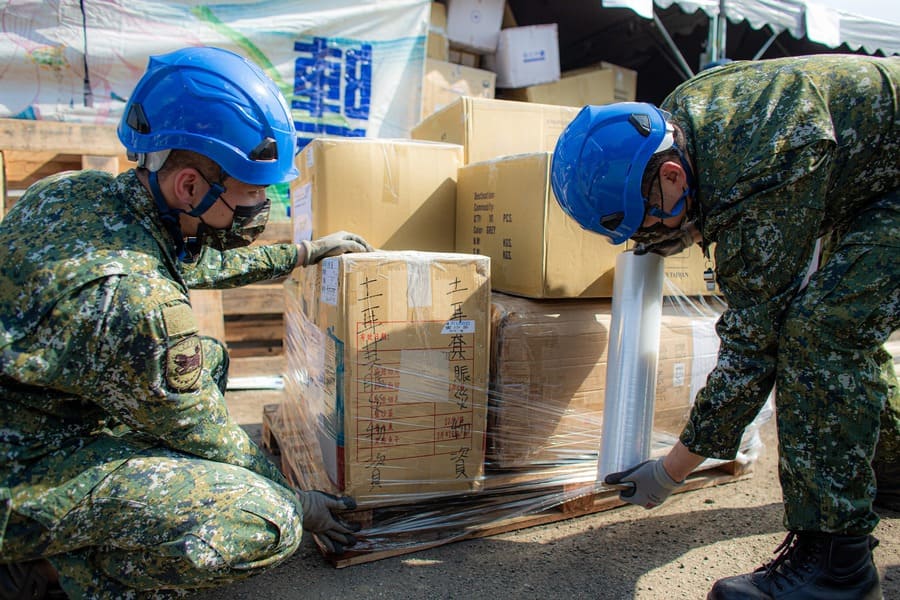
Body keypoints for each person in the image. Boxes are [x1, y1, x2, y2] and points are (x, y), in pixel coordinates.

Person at [0, 46, 374, 598]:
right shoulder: (139, 305)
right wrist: (302, 502)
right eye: (252, 193)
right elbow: (208, 434)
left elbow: (194, 260)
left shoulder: (77, 198)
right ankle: (48, 571)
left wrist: (303, 253)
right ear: (191, 188)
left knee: (210, 360)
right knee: (266, 519)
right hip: (22, 482)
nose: (260, 208)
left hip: (37, 415)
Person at [551, 54, 898, 600]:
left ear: (670, 173)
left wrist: (671, 470)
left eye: (650, 219)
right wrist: (671, 220)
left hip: (885, 180)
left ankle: (837, 567)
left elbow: (753, 348)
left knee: (821, 333)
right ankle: (894, 466)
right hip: (877, 174)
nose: (656, 235)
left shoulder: (763, 167)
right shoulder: (676, 126)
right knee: (845, 314)